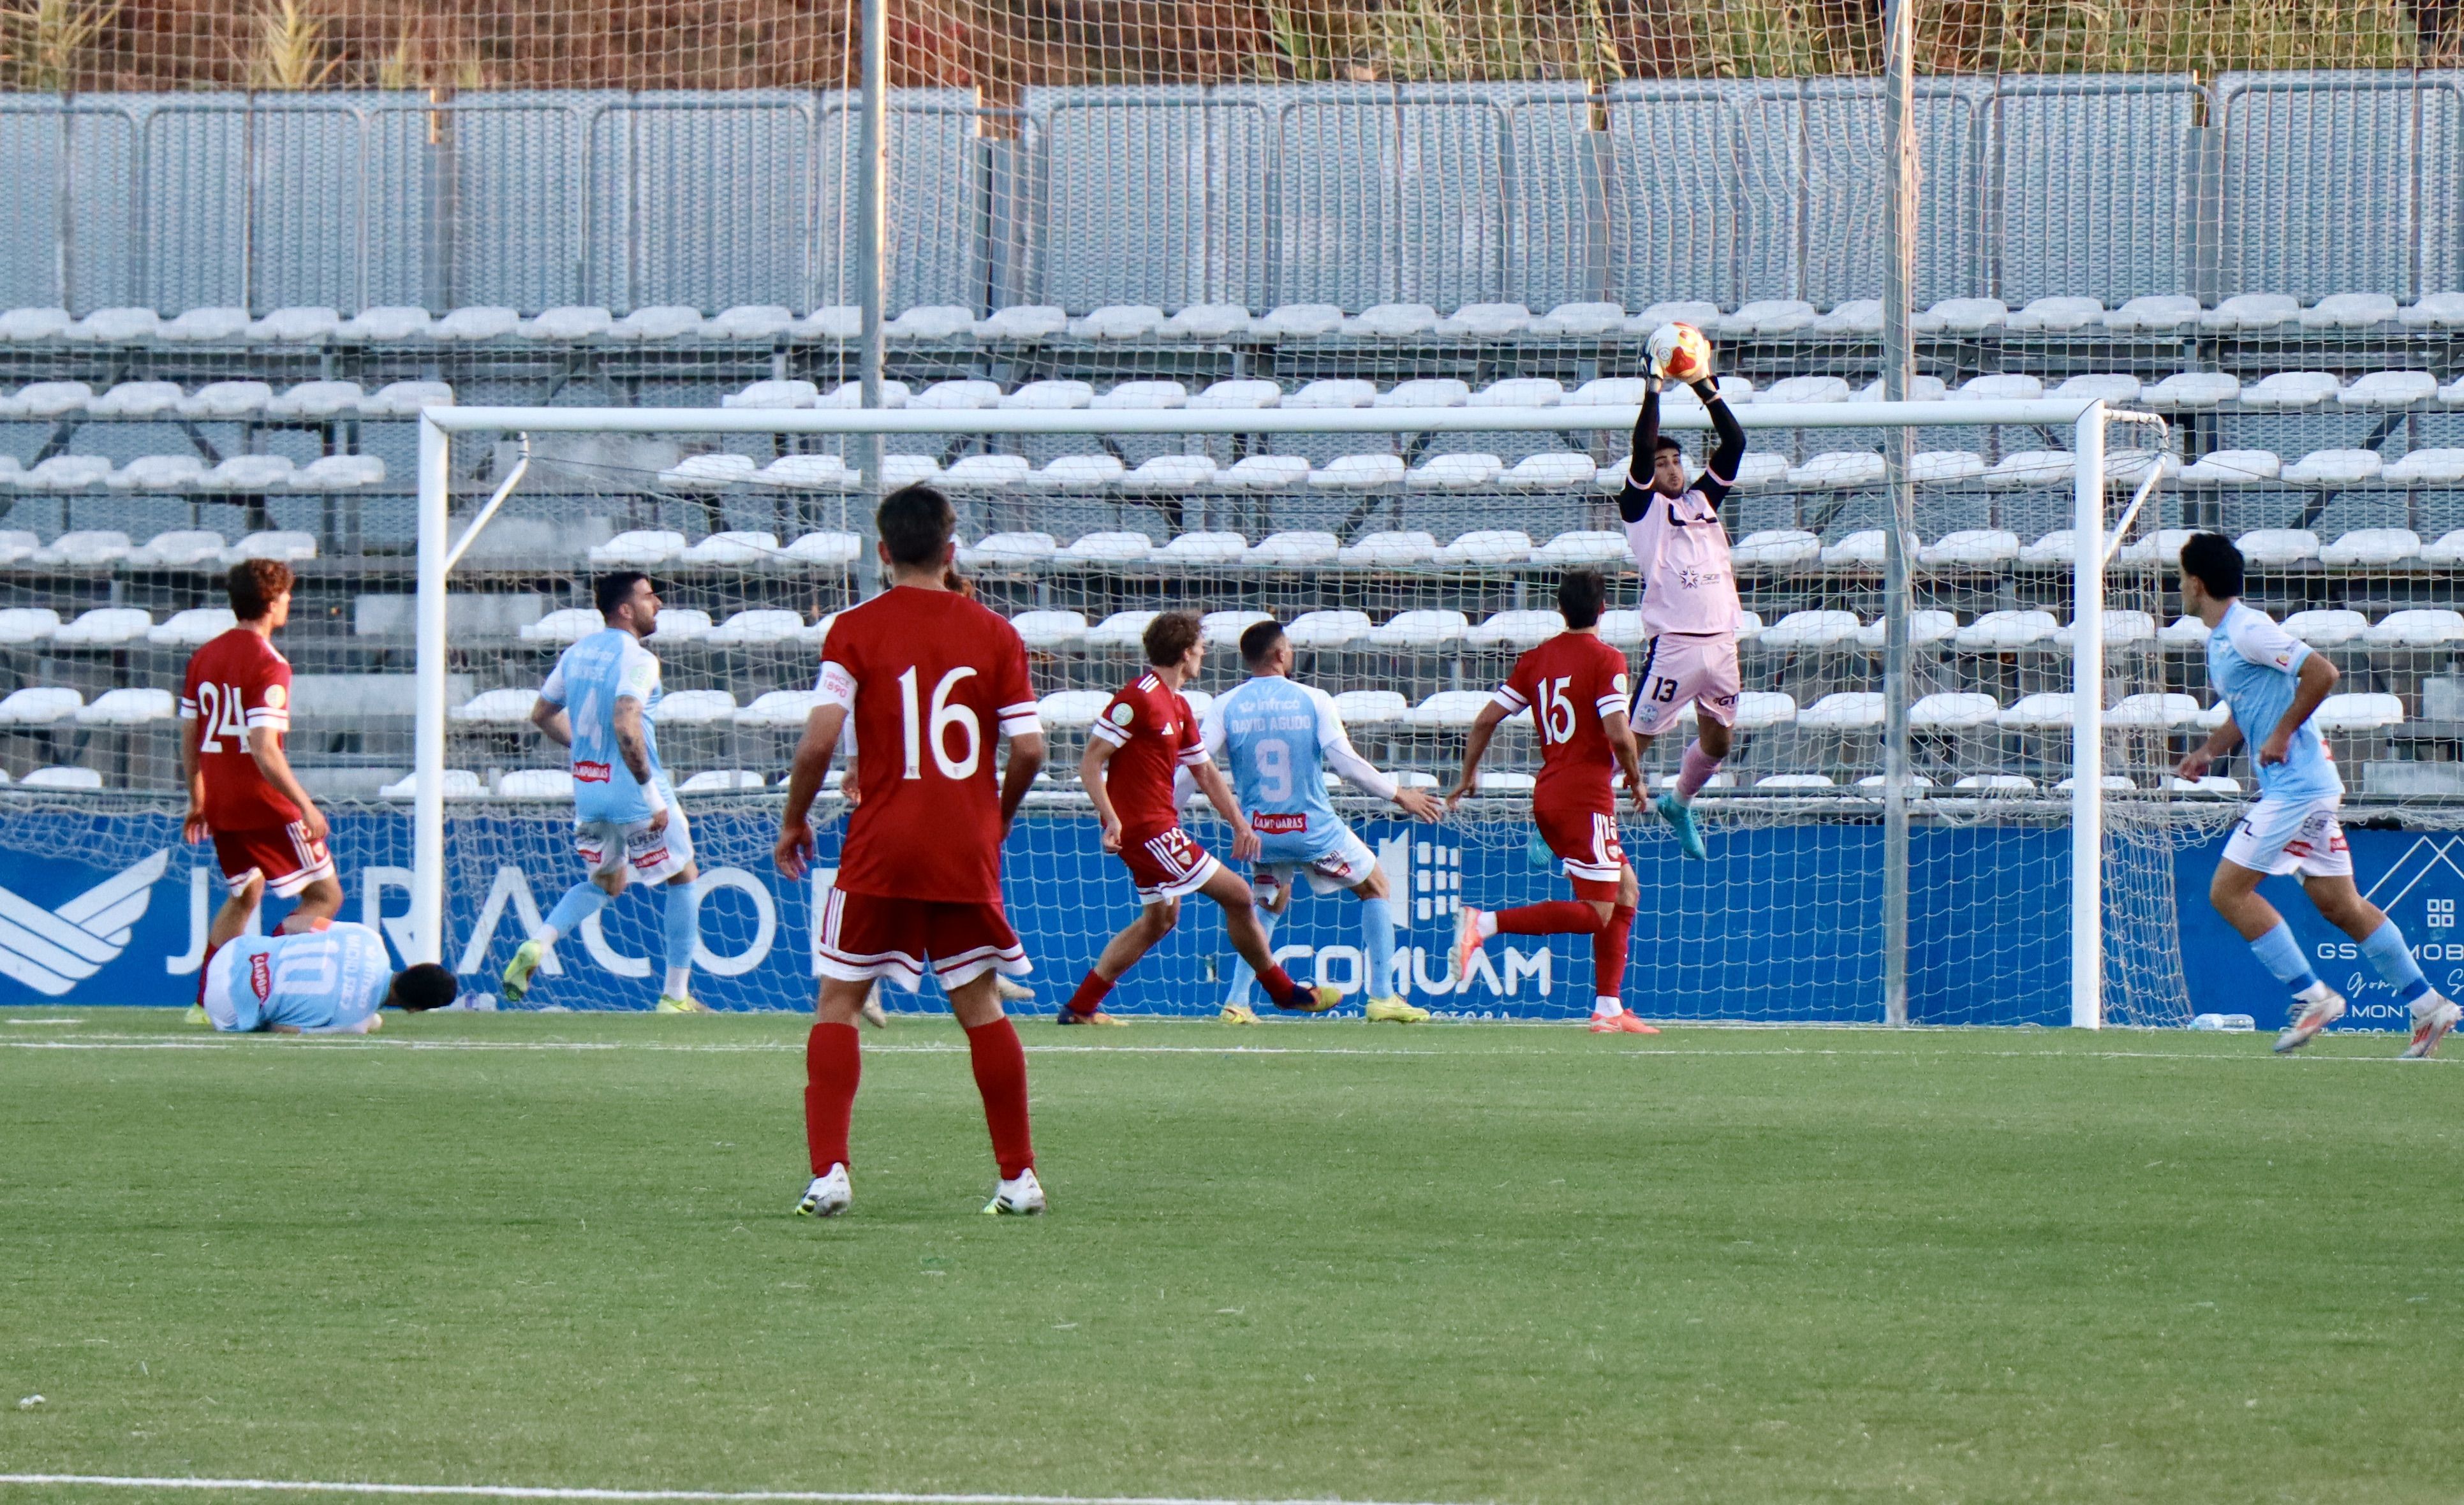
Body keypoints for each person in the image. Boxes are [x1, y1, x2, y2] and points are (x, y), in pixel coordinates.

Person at [774, 484, 1049, 1217]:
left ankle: (829, 1172)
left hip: (883, 843)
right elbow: (1029, 746)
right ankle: (1018, 1178)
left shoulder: (854, 628)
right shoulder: (996, 633)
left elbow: (819, 741)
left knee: (837, 1000)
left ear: (883, 551)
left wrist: (794, 820)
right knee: (981, 1006)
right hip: (964, 846)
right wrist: (996, 815)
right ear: (951, 549)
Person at [2174, 532, 2458, 1057]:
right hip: (2308, 788)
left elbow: (2322, 672)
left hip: (2297, 790)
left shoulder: (2248, 629)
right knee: (2340, 906)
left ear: (2196, 583)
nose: (2177, 589)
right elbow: (2247, 710)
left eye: (2179, 579)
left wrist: (2281, 734)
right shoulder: (2222, 639)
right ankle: (2429, 1007)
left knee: (2226, 893)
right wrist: (2208, 751)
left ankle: (2313, 998)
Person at [1063, 611, 1342, 1024]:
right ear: (1183, 653)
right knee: (1238, 896)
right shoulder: (1137, 698)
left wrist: (1240, 825)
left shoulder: (1176, 705)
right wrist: (1111, 819)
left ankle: (1080, 1007)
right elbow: (1090, 762)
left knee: (1160, 919)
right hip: (1146, 830)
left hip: (1156, 827)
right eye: (1199, 648)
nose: (1203, 655)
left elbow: (1205, 772)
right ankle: (1284, 992)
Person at [1204, 619, 1443, 1025]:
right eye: (1290, 647)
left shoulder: (1225, 704)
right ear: (1281, 654)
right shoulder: (1313, 699)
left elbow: (1196, 761)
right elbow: (1346, 764)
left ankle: (1237, 1002)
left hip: (1260, 832)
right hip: (1313, 831)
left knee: (1270, 902)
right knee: (1376, 885)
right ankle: (1383, 996)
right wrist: (1399, 794)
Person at [1448, 570, 1656, 1033]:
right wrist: (1636, 778)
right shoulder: (1607, 660)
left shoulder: (1537, 659)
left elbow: (1483, 722)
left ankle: (1608, 1008)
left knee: (1625, 890)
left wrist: (1466, 777)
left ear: (1559, 610)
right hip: (1586, 799)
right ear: (1603, 610)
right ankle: (1483, 925)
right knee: (1595, 913)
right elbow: (1619, 733)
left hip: (1549, 794)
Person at [500, 572, 709, 1014]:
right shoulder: (638, 658)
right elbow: (625, 721)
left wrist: (586, 750)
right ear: (626, 609)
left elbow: (541, 713)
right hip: (634, 793)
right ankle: (676, 997)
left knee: (606, 881)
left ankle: (539, 944)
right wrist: (652, 797)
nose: (660, 604)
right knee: (683, 875)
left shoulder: (577, 654)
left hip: (589, 792)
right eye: (650, 596)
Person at [181, 558, 340, 1020]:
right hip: (264, 805)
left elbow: (189, 735)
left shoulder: (204, 656)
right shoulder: (270, 664)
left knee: (245, 894)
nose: (290, 602)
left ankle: (204, 1002)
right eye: (287, 595)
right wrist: (304, 805)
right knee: (326, 896)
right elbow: (264, 748)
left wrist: (198, 798)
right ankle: (263, 986)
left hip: (223, 805)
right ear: (271, 603)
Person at [1621, 328, 1750, 861]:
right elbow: (1640, 447)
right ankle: (1563, 818)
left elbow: (1736, 443)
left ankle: (1679, 802)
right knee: (1632, 745)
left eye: (1676, 461)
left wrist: (1702, 384)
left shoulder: (1703, 499)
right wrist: (1653, 386)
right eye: (1661, 463)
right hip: (1674, 645)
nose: (1671, 468)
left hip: (1722, 643)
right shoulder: (1642, 509)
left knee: (1719, 743)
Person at [202, 920, 458, 1034]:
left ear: (411, 967)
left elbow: (294, 924)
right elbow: (284, 1029)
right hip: (226, 1006)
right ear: (415, 1009)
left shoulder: (368, 937)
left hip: (233, 952)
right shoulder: (355, 1024)